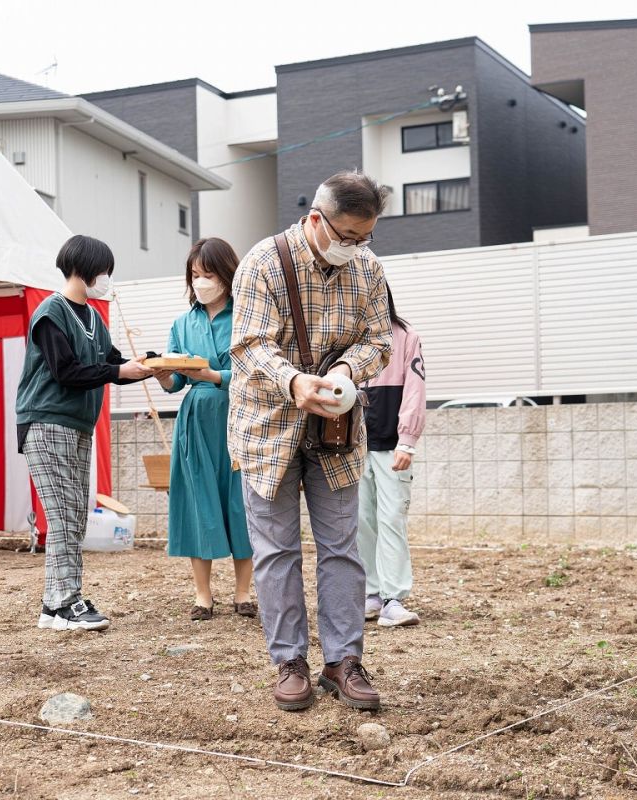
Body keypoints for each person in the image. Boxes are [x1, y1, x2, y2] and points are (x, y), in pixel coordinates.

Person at [228, 171, 393, 712]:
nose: (356, 248)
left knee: (342, 548)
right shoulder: (262, 263)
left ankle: (344, 661)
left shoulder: (368, 268)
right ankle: (289, 661)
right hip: (266, 429)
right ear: (317, 220)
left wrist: (347, 369)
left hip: (337, 431)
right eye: (347, 236)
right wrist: (293, 382)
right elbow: (248, 344)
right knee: (276, 551)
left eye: (365, 237)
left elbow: (380, 339)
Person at [17, 235, 152, 632]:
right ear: (87, 269)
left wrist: (143, 366)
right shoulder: (50, 313)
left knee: (75, 513)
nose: (107, 279)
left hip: (76, 425)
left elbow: (111, 364)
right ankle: (65, 604)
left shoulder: (94, 317)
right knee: (62, 514)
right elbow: (68, 372)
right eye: (105, 271)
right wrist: (119, 370)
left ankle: (55, 602)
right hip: (45, 421)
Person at [154, 238, 254, 621]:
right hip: (195, 420)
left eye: (208, 274)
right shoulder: (182, 323)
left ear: (227, 276)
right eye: (195, 275)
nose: (200, 282)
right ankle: (202, 595)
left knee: (241, 503)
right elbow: (175, 384)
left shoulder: (246, 317)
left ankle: (244, 592)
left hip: (238, 416)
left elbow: (253, 372)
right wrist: (164, 376)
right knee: (198, 501)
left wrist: (214, 375)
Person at [358, 287, 425, 627]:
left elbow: (415, 388)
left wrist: (407, 440)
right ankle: (371, 593)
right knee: (360, 521)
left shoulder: (405, 336)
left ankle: (394, 597)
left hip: (390, 443)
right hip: (350, 446)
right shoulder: (345, 336)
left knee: (391, 518)